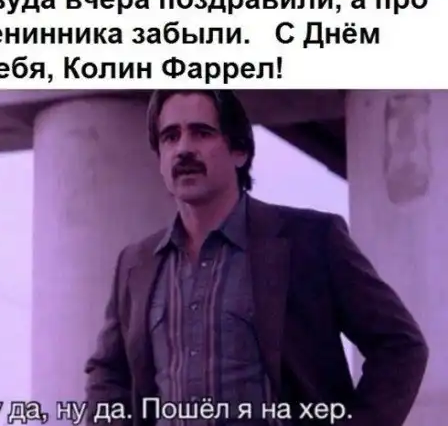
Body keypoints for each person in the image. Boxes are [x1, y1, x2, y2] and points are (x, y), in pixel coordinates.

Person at [84, 90, 428, 426]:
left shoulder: (311, 240)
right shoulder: (136, 264)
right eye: (170, 137)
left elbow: (400, 346)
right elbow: (108, 372)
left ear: (239, 150)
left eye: (201, 133)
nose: (184, 148)